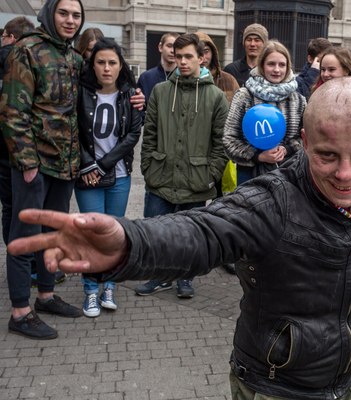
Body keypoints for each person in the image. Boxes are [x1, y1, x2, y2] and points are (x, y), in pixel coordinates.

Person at [6, 77, 351, 399]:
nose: (345, 174)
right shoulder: (269, 201)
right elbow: (201, 232)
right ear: (302, 143)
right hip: (272, 387)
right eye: (326, 156)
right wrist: (127, 245)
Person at [0, 0, 88, 340]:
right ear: (50, 13)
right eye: (64, 13)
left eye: (76, 15)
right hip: (34, 166)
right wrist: (26, 163)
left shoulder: (74, 56)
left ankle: (46, 296)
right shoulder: (26, 51)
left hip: (64, 166)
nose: (70, 20)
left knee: (55, 236)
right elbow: (12, 112)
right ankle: (20, 312)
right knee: (25, 238)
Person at [134, 33, 229, 298]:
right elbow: (149, 134)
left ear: (202, 58)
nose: (183, 62)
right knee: (155, 231)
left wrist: (210, 176)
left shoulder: (216, 97)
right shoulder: (161, 92)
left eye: (189, 56)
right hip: (160, 177)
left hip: (197, 180)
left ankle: (185, 278)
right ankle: (159, 275)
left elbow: (220, 144)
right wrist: (148, 169)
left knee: (190, 236)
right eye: (179, 57)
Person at [75, 38, 142, 317]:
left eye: (112, 63)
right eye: (100, 62)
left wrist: (103, 165)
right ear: (92, 65)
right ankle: (91, 290)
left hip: (120, 176)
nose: (106, 68)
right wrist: (89, 166)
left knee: (114, 235)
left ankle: (110, 285)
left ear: (120, 66)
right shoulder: (81, 92)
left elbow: (132, 136)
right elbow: (73, 132)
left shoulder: (130, 95)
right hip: (86, 177)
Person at [224, 40, 306, 185]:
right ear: (261, 65)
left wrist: (286, 149)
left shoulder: (298, 99)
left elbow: (306, 137)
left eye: (282, 65)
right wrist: (258, 156)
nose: (277, 69)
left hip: (288, 174)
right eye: (271, 64)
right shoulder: (244, 96)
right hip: (249, 176)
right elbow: (229, 139)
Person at [195, 30, 240, 275]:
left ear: (213, 54)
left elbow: (238, 115)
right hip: (195, 154)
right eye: (198, 52)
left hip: (223, 153)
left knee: (225, 205)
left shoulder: (229, 81)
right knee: (196, 206)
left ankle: (224, 252)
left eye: (207, 51)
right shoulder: (182, 80)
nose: (203, 57)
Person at [0, 16, 35, 244]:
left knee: (9, 207)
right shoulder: (34, 61)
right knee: (30, 208)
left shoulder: (8, 58)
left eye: (3, 36)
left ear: (12, 37)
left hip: (4, 150)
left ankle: (15, 254)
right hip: (28, 149)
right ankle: (31, 263)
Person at [137, 32, 179, 99]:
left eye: (176, 47)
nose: (172, 51)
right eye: (169, 46)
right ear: (160, 47)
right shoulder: (146, 77)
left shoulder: (185, 78)